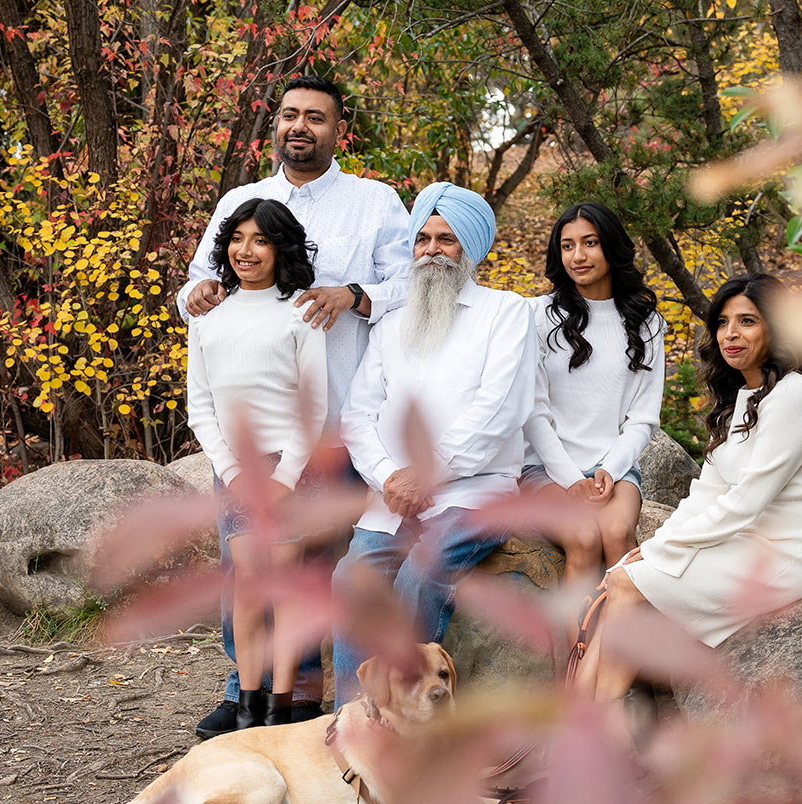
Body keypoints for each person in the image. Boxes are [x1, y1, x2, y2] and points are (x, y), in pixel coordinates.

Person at [176, 75, 410, 738]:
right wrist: (191, 298)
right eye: (288, 116)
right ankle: (241, 688)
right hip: (249, 431)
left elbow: (411, 284)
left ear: (339, 130)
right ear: (272, 125)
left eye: (314, 117)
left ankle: (300, 694)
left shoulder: (374, 203)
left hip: (336, 422)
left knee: (310, 564)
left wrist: (353, 295)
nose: (299, 127)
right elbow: (201, 284)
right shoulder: (242, 201)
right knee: (244, 564)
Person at [574, 273, 802, 702]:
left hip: (791, 553)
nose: (730, 334)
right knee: (623, 580)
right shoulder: (746, 397)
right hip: (748, 542)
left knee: (626, 585)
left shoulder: (796, 396)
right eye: (722, 322)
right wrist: (653, 545)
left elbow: (745, 503)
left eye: (747, 322)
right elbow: (707, 490)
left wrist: (667, 550)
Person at [331, 181, 537, 707]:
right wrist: (389, 478)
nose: (430, 251)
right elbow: (359, 413)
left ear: (470, 247)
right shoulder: (392, 321)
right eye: (422, 239)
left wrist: (429, 473)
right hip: (394, 493)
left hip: (473, 491)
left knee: (419, 577)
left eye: (446, 240)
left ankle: (408, 723)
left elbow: (500, 411)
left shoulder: (506, 312)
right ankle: (352, 726)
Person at [185, 197, 327, 728]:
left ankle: (280, 705)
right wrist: (234, 472)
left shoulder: (300, 315)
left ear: (280, 249)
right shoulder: (208, 320)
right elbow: (200, 406)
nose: (247, 250)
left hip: (292, 469)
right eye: (239, 239)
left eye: (261, 240)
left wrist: (286, 477)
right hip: (235, 470)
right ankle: (246, 704)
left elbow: (314, 404)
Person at [521, 202, 665, 583]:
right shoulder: (538, 316)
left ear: (611, 247)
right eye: (567, 246)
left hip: (613, 471)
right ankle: (579, 646)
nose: (578, 256)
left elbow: (643, 418)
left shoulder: (647, 323)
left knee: (618, 536)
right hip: (546, 471)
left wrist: (609, 470)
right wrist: (572, 479)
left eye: (590, 243)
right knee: (584, 538)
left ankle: (619, 643)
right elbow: (532, 413)